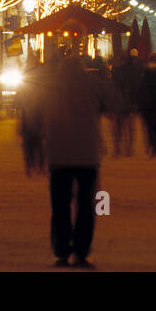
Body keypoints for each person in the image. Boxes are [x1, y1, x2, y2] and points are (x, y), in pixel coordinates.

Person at [43, 54, 105, 268]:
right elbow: (115, 102)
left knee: (60, 204)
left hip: (58, 154)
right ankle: (81, 248)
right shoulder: (93, 83)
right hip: (87, 154)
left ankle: (61, 248)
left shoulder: (49, 86)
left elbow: (34, 114)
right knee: (87, 205)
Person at [17, 53, 46, 175]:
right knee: (36, 140)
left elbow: (21, 93)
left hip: (32, 112)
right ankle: (35, 165)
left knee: (32, 140)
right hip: (34, 112)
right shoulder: (41, 74)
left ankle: (32, 165)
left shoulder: (26, 75)